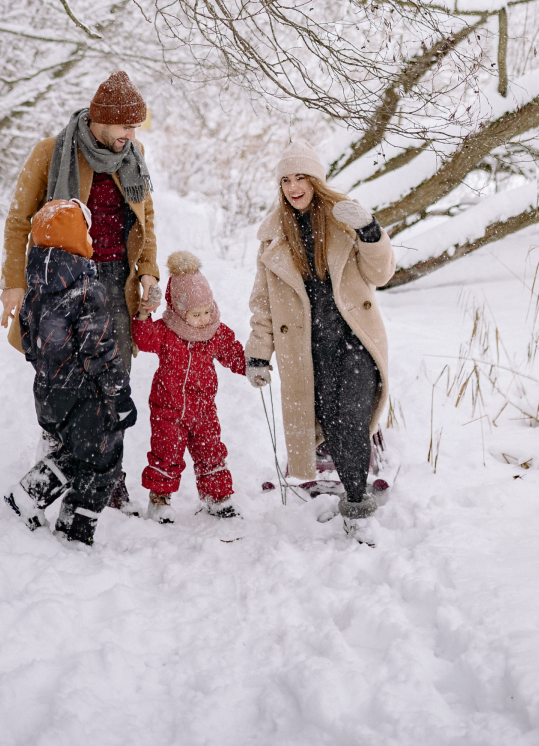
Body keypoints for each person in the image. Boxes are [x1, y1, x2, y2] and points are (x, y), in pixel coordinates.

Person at [0, 71, 160, 512]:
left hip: (118, 281)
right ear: (102, 122)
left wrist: (148, 271)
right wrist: (14, 284)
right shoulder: (52, 153)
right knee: (66, 380)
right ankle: (58, 460)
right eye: (126, 126)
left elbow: (146, 220)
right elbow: (18, 220)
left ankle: (110, 478)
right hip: (62, 281)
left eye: (135, 127)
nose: (132, 135)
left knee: (113, 380)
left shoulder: (134, 154)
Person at [245, 140, 396, 545]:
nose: (294, 187)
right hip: (310, 352)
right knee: (331, 424)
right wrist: (259, 352)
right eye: (286, 180)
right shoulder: (273, 237)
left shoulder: (344, 218)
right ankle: (352, 486)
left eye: (301, 178)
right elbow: (264, 303)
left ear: (316, 181)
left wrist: (369, 230)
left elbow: (380, 273)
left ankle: (358, 509)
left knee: (349, 419)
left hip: (355, 340)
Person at [4, 199, 138, 545]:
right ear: (78, 241)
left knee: (77, 453)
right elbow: (99, 350)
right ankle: (75, 532)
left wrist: (52, 369)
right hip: (86, 395)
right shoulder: (85, 290)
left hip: (48, 391)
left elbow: (29, 344)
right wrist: (119, 392)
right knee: (101, 462)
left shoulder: (35, 289)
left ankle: (28, 495)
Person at [132, 251, 247, 523]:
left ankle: (216, 498)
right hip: (168, 409)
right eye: (196, 314)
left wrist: (252, 365)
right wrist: (143, 314)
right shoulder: (166, 331)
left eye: (207, 311)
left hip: (204, 409)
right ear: (180, 312)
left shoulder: (215, 331)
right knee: (166, 454)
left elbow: (232, 352)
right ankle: (159, 501)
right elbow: (144, 337)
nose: (204, 319)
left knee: (211, 451)